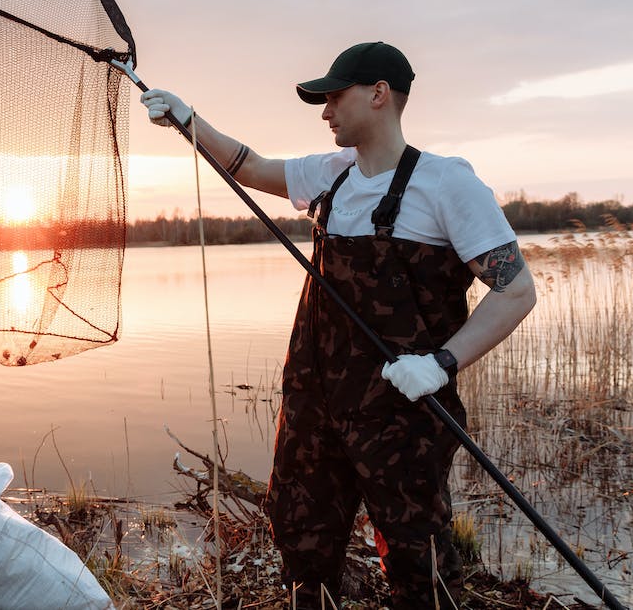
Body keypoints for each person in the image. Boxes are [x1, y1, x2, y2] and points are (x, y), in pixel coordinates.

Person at [140, 42, 537, 609]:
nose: (324, 111)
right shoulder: (331, 176)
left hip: (403, 410)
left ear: (379, 94)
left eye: (333, 97)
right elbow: (248, 166)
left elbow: (516, 290)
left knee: (414, 554)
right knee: (302, 536)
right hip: (315, 400)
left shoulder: (448, 184)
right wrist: (188, 120)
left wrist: (441, 363)